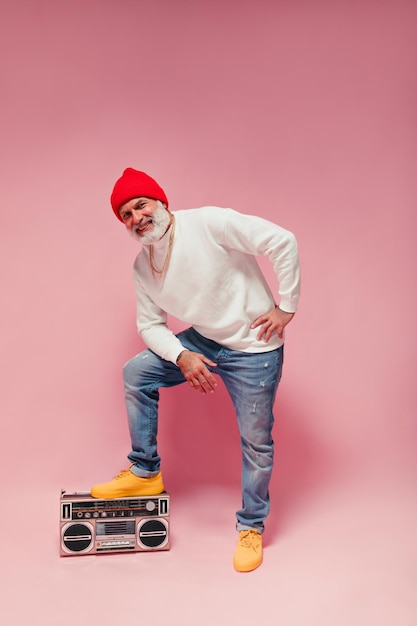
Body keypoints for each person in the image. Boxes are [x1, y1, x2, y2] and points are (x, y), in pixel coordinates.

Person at [91, 168, 301, 572]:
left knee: (256, 442)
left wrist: (286, 305)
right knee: (137, 373)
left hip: (254, 346)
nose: (137, 217)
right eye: (126, 215)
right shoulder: (142, 266)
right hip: (204, 341)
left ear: (161, 203)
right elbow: (150, 325)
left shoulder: (208, 223)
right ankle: (144, 470)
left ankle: (251, 526)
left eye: (141, 205)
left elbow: (282, 241)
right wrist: (181, 356)